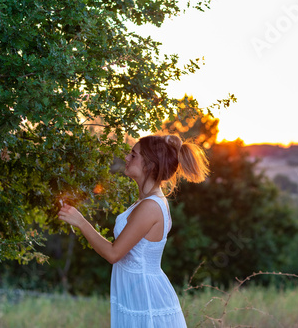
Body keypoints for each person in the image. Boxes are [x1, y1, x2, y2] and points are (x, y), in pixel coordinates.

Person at [58, 134, 209, 328]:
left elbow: (114, 254)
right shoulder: (145, 202)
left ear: (150, 165)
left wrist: (80, 221)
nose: (127, 158)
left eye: (134, 155)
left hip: (146, 301)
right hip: (136, 297)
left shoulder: (151, 206)